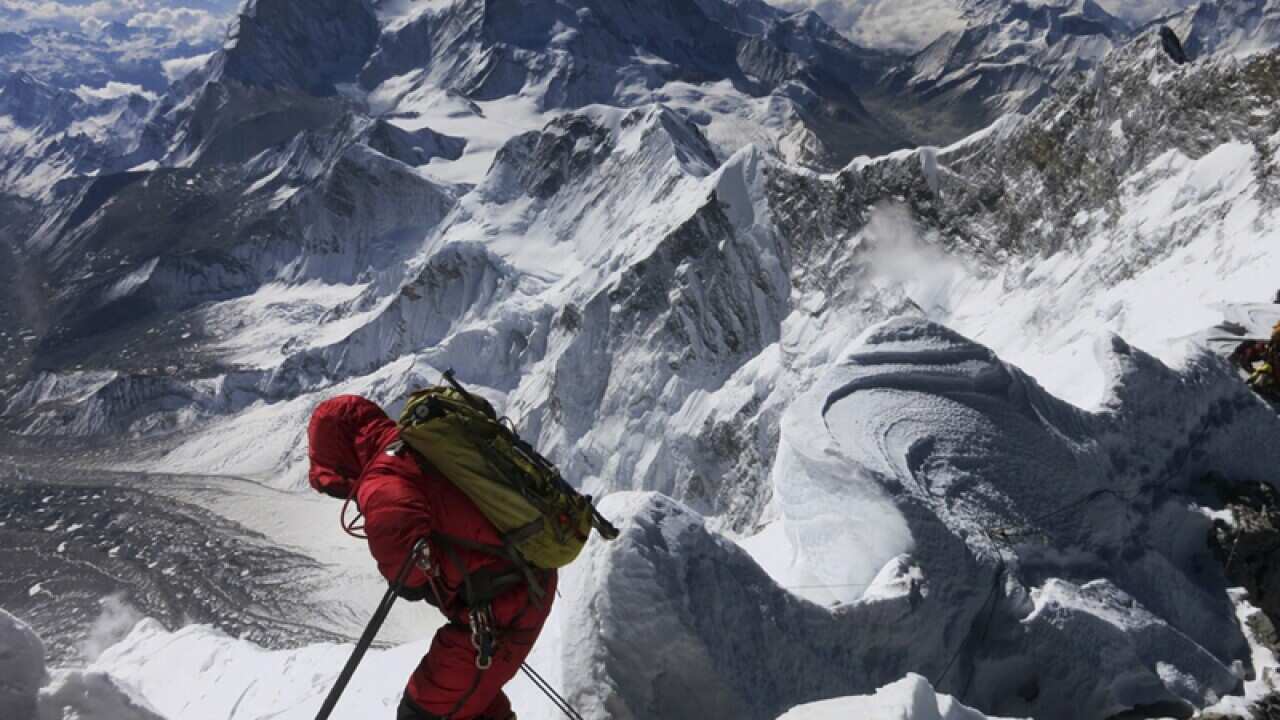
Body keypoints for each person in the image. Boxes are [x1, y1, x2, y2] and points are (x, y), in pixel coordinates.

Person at [307, 395, 555, 720]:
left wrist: (413, 580)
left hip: (503, 606)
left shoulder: (382, 479)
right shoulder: (416, 445)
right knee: (470, 704)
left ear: (341, 455)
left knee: (424, 713)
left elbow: (407, 572)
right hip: (516, 589)